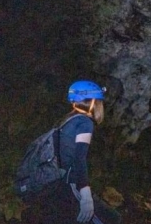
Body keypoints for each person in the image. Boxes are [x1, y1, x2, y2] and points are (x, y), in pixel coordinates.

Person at [35, 80, 121, 224]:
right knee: (112, 219)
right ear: (92, 102)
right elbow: (79, 159)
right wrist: (86, 195)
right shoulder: (84, 123)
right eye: (99, 101)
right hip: (71, 184)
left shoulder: (67, 120)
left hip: (58, 184)